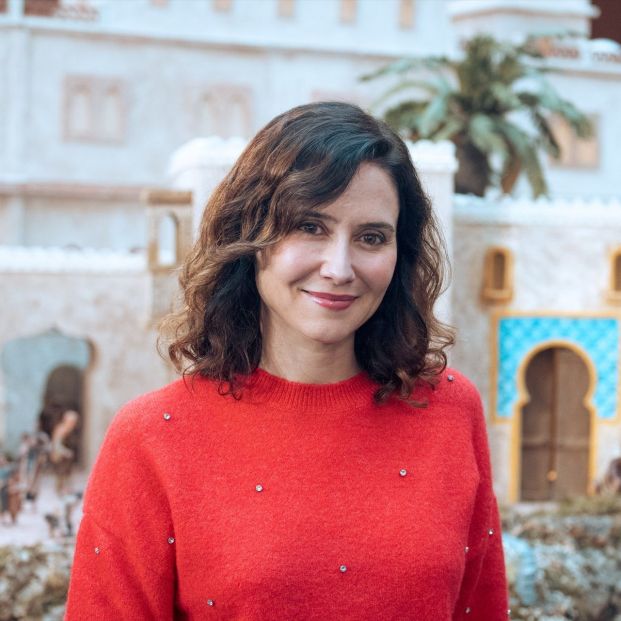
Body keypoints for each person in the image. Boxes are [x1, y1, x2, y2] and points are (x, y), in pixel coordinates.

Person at [65, 102, 508, 619]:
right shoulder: (152, 437)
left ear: (399, 253)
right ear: (249, 238)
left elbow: (482, 607)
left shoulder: (451, 409)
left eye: (371, 237)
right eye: (310, 227)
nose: (339, 268)